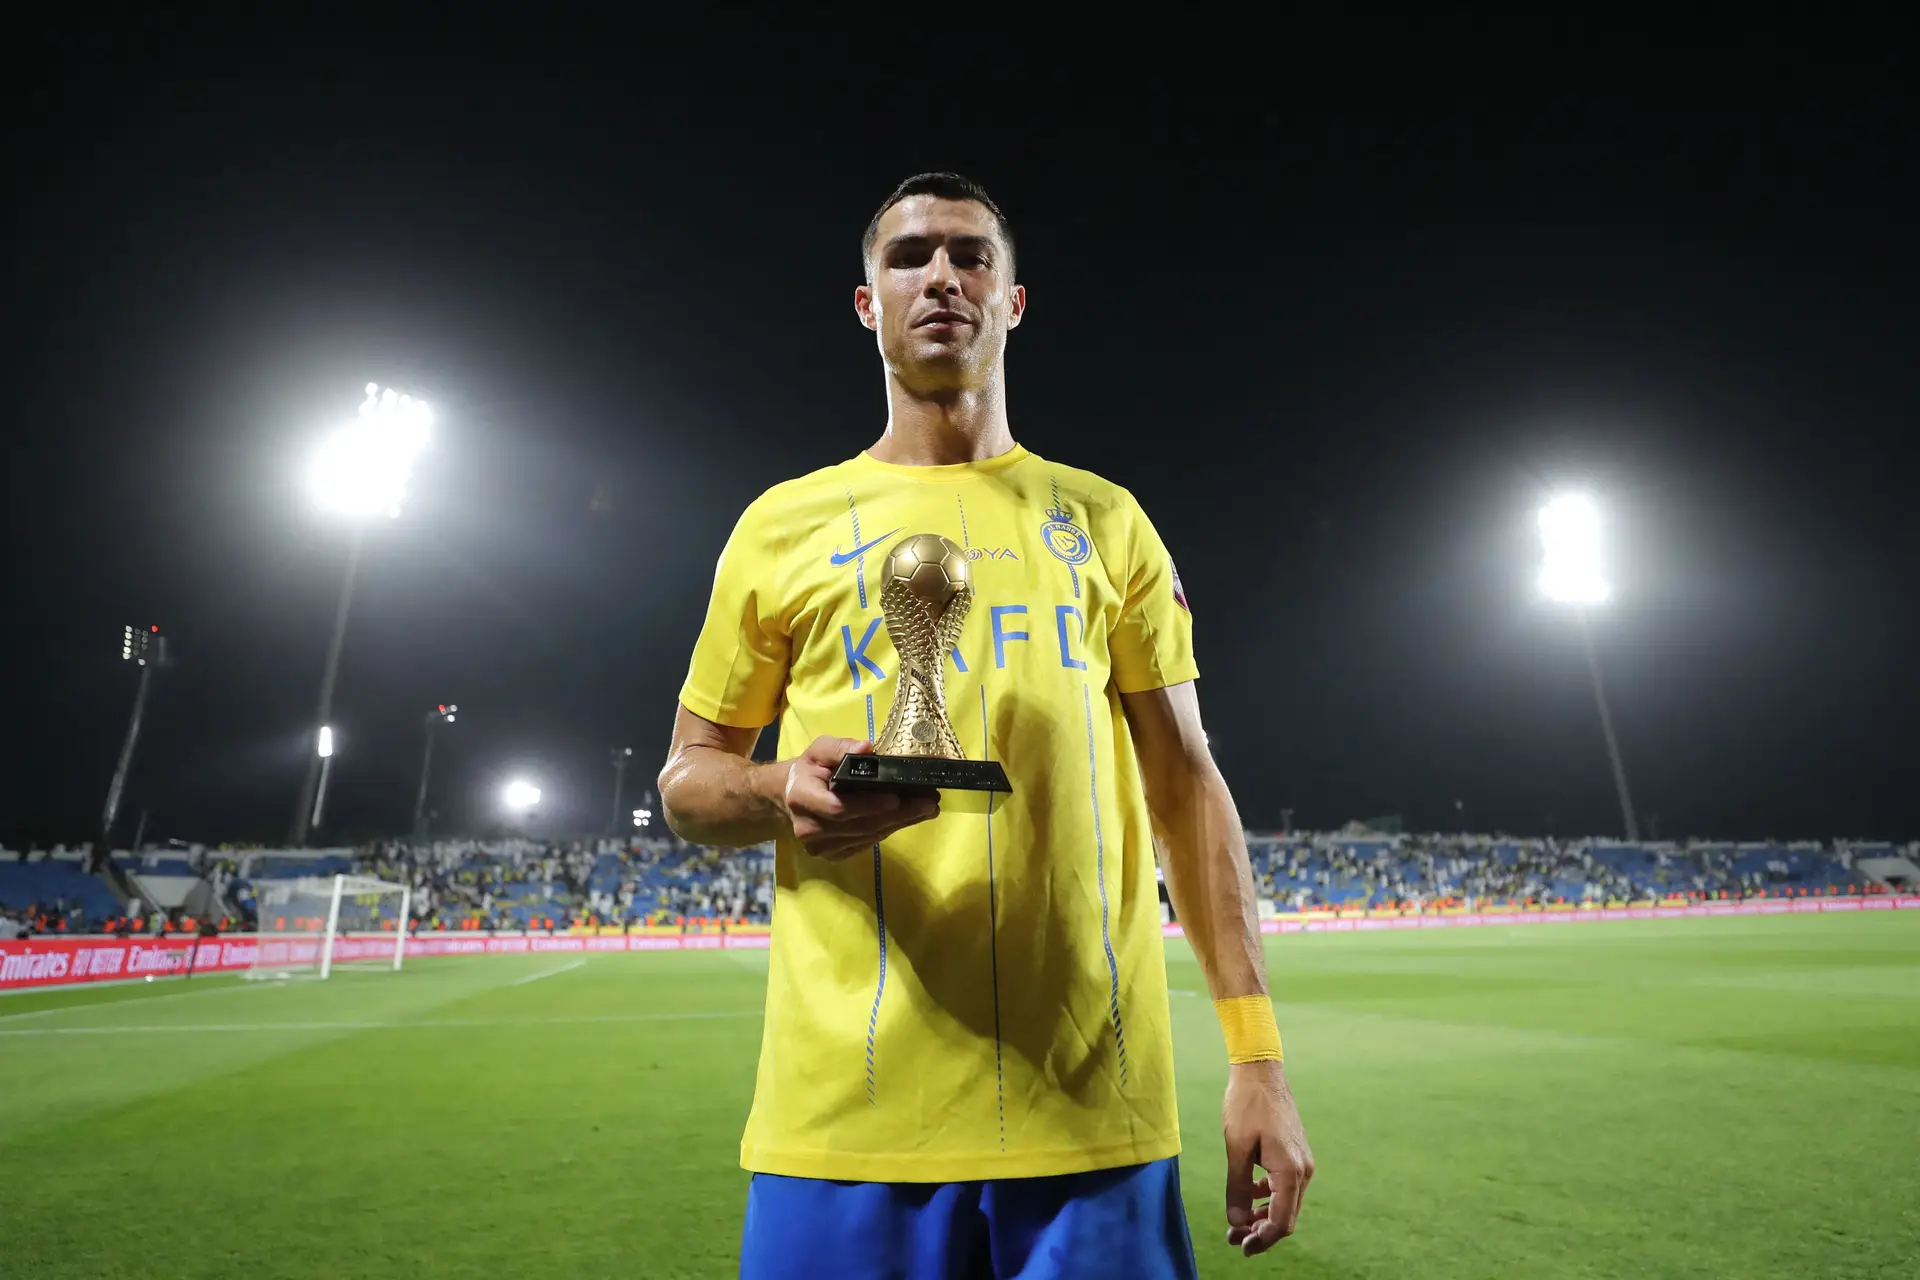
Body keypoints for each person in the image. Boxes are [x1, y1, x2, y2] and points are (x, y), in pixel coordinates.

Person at [659, 173, 1312, 1277]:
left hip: (1092, 1117)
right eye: (909, 257)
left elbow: (1187, 782)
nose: (942, 277)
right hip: (844, 1124)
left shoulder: (1107, 522)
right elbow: (689, 776)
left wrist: (1258, 1054)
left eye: (971, 256)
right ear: (867, 304)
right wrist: (780, 790)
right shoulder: (780, 527)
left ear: (1012, 302)